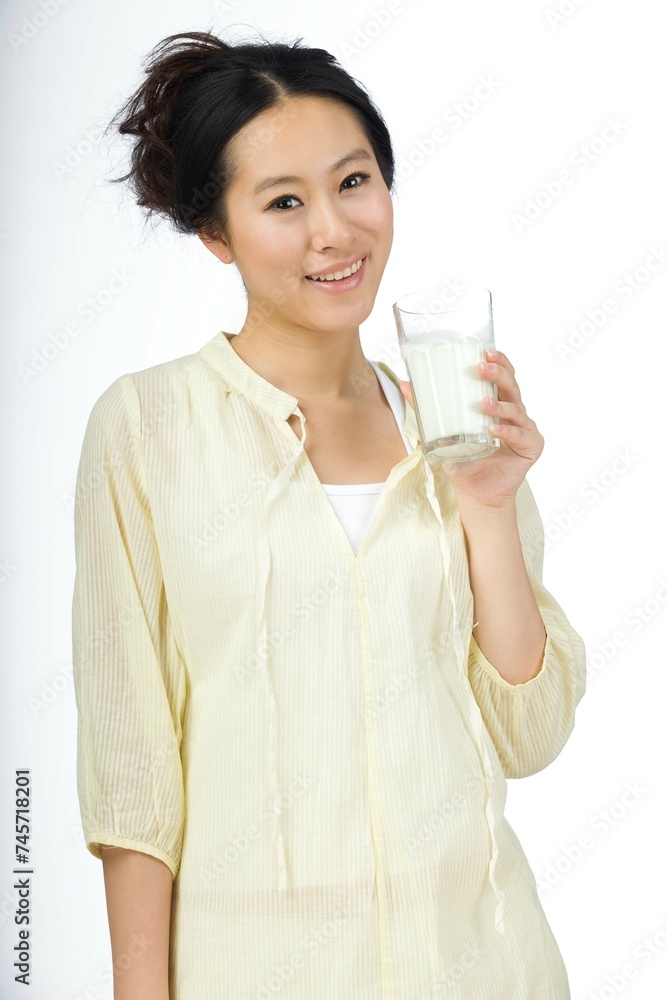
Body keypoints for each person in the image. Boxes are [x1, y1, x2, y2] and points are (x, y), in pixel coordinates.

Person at [71, 28, 587, 1000]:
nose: (334, 231)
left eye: (354, 182)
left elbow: (530, 734)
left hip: (481, 968)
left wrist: (486, 510)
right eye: (283, 202)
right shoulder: (147, 427)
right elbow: (131, 777)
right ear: (215, 232)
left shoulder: (455, 423)